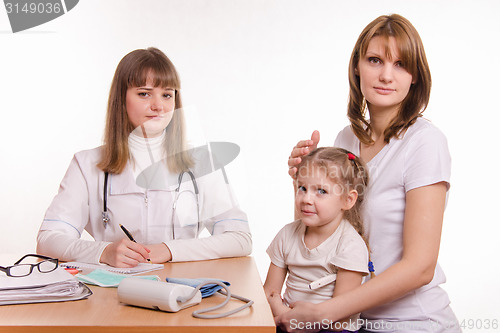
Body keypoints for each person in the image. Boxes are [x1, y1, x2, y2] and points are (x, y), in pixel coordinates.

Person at [282, 14, 460, 333]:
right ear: (357, 67)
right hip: (353, 322)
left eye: (401, 65)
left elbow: (420, 267)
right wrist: (303, 186)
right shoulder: (345, 140)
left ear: (415, 76)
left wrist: (325, 312)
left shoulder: (425, 143)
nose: (386, 75)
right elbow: (320, 235)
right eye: (375, 60)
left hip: (414, 323)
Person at [37, 47, 251, 268]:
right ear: (121, 98)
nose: (158, 106)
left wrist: (169, 250)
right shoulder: (86, 164)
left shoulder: (203, 163)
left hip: (181, 291)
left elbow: (240, 238)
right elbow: (48, 239)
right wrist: (103, 251)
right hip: (110, 293)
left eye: (167, 94)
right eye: (144, 93)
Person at [265, 147, 372, 332]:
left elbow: (340, 319)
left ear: (348, 199)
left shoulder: (350, 245)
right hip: (286, 323)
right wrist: (278, 312)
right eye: (302, 188)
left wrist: (280, 310)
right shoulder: (287, 235)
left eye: (321, 191)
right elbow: (269, 292)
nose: (306, 198)